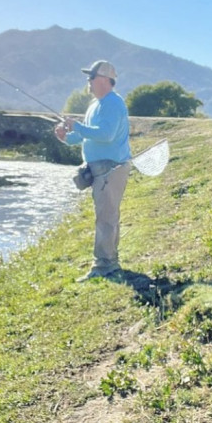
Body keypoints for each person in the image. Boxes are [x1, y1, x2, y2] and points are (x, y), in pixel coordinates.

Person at [55, 60, 132, 281]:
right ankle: (108, 261)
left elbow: (106, 134)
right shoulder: (94, 105)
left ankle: (105, 266)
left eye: (92, 77)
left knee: (106, 217)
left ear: (106, 80)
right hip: (100, 169)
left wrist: (76, 125)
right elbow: (81, 136)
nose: (88, 81)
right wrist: (65, 137)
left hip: (111, 169)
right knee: (105, 216)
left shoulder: (114, 103)